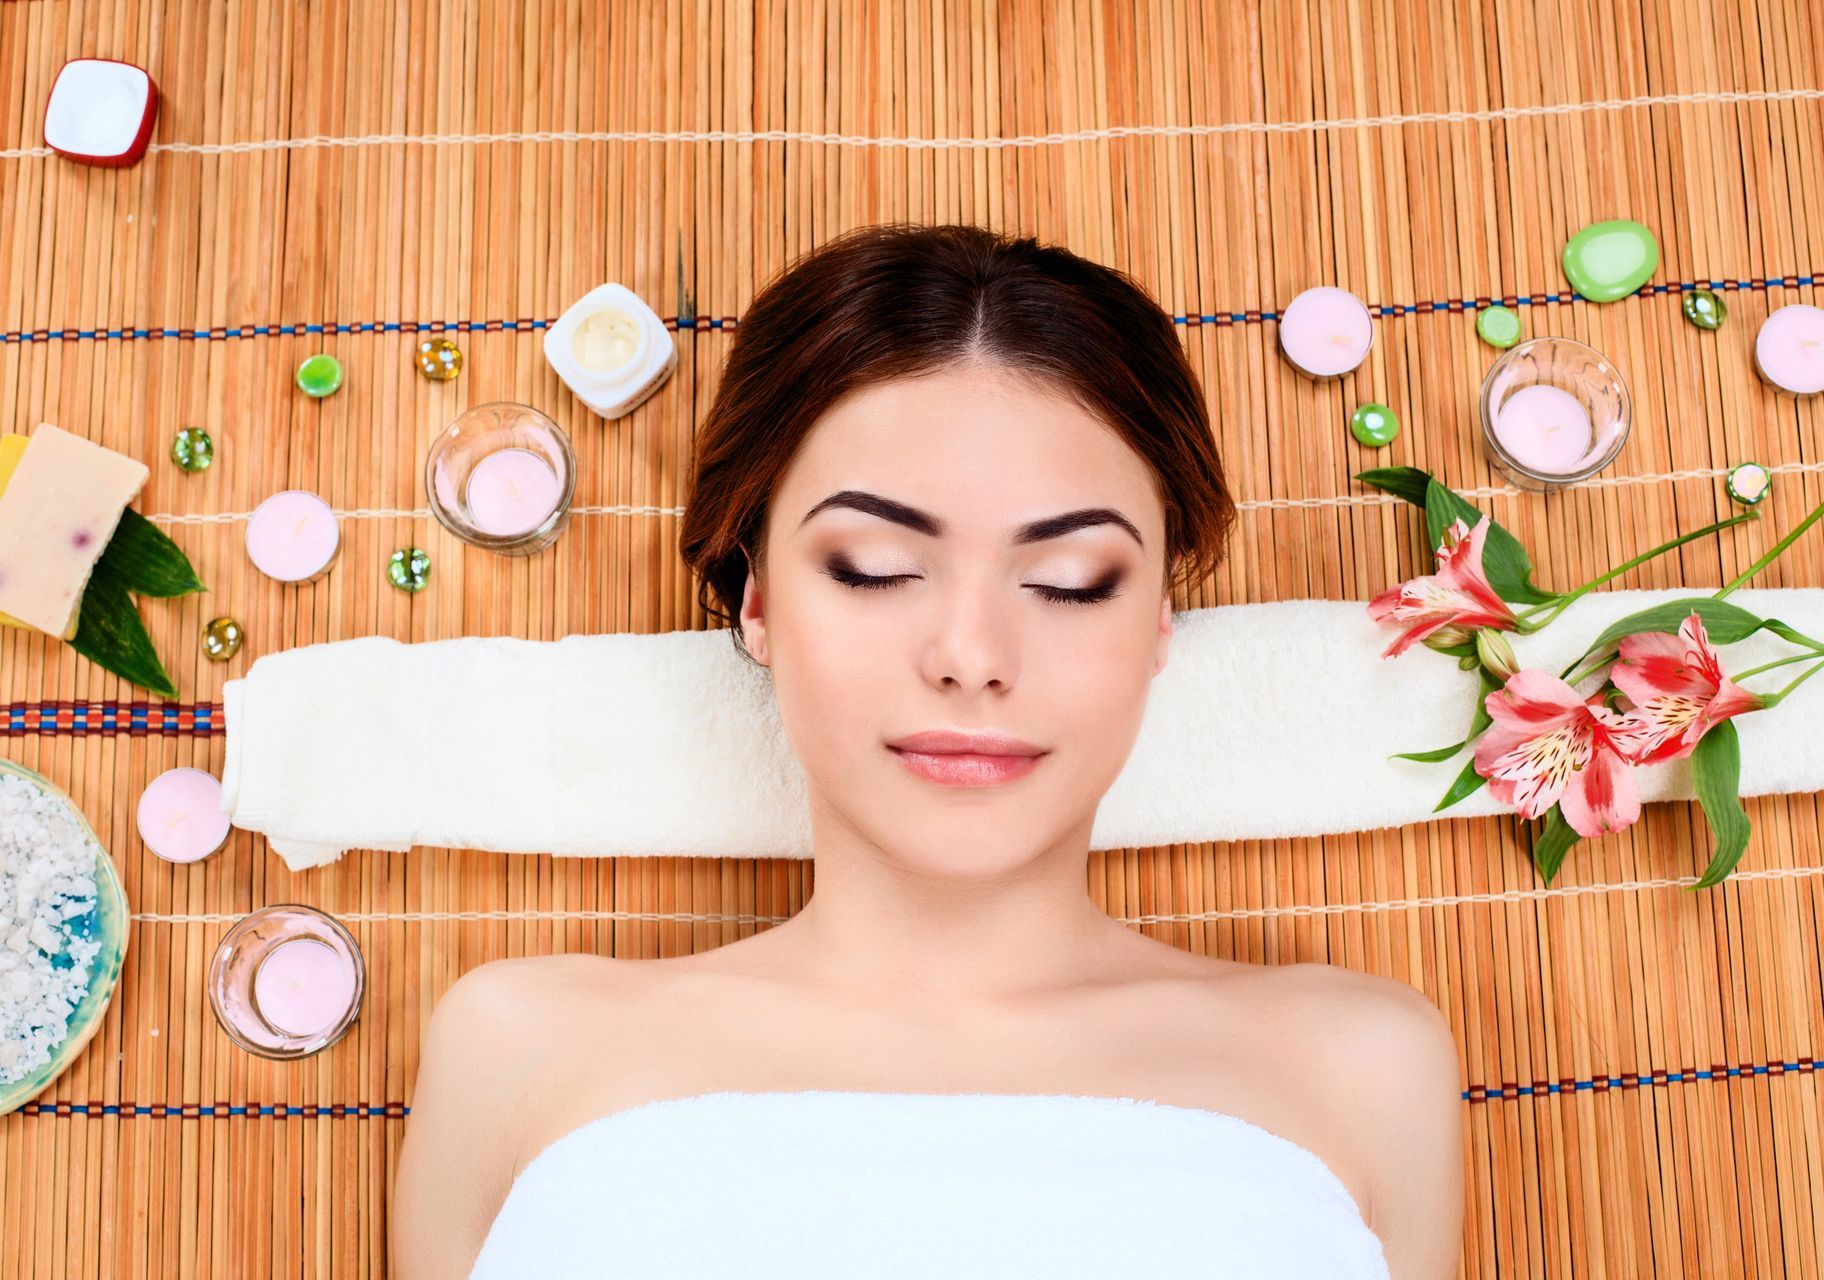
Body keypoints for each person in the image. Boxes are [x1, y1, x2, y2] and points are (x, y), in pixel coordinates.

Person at [392, 222, 1464, 1278]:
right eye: (869, 565)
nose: (971, 655)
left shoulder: (1360, 1067)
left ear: (1158, 624)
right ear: (758, 600)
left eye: (1072, 580)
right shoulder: (519, 1046)